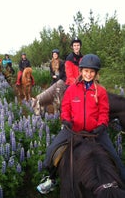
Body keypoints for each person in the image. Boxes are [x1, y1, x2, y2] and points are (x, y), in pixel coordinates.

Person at [37, 54, 125, 194]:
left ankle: (120, 184)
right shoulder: (71, 89)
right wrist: (66, 120)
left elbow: (104, 111)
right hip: (73, 130)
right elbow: (65, 108)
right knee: (51, 152)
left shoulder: (100, 92)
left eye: (91, 72)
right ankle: (51, 179)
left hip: (95, 132)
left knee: (115, 158)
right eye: (86, 71)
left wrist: (102, 125)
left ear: (95, 74)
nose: (88, 74)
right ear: (81, 71)